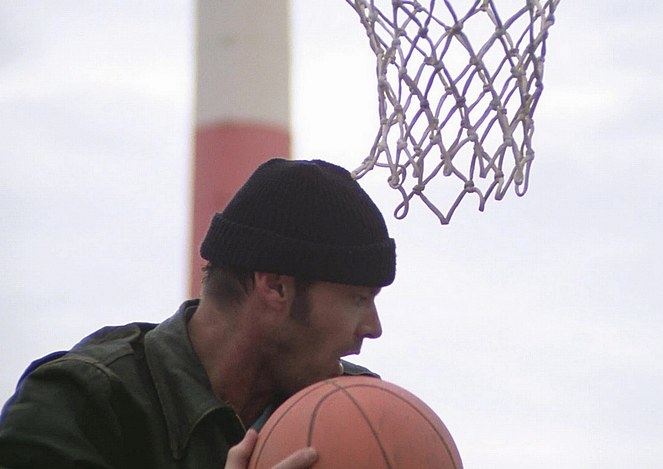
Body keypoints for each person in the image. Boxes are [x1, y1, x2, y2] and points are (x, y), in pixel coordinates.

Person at [0, 159, 397, 468]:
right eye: (358, 299)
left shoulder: (361, 413)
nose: (374, 328)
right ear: (275, 287)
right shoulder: (79, 405)